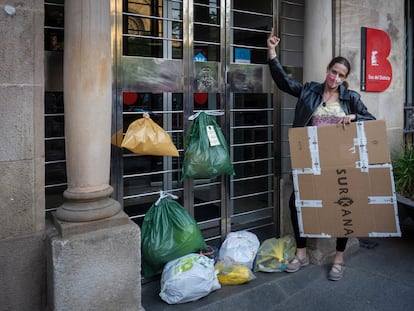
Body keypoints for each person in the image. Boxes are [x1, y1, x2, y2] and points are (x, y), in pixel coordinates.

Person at [267, 29, 376, 281]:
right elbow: (284, 82)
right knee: (298, 204)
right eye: (333, 71)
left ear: (345, 78)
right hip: (310, 160)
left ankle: (338, 257)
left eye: (341, 75)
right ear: (327, 69)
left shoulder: (351, 98)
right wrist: (272, 52)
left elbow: (371, 120)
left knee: (342, 207)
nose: (335, 77)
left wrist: (354, 116)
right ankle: (301, 253)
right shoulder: (309, 91)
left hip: (339, 162)